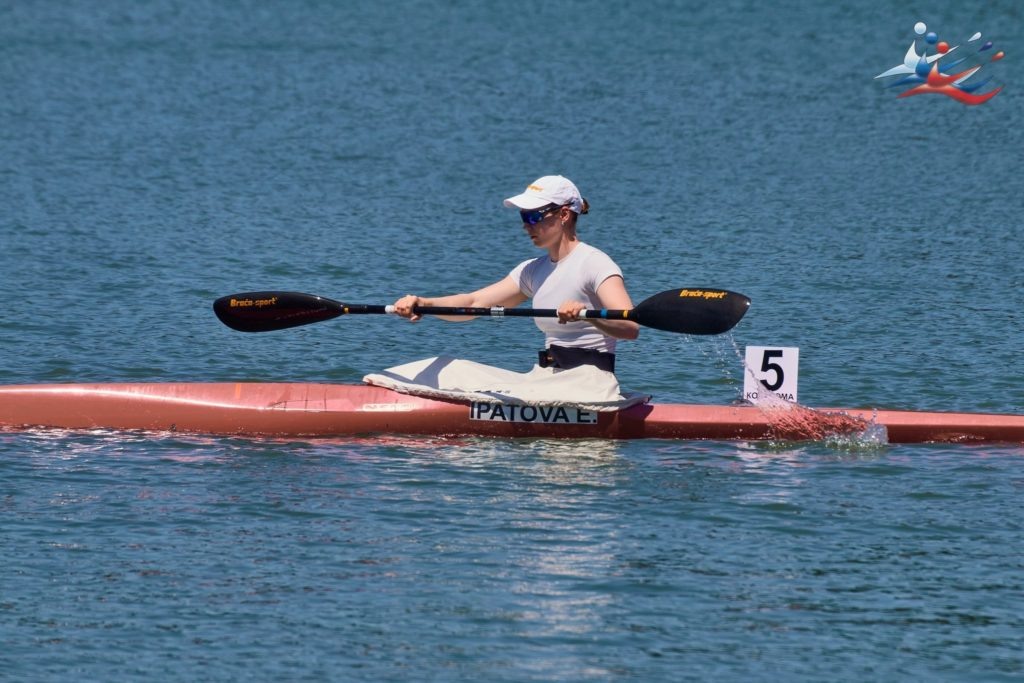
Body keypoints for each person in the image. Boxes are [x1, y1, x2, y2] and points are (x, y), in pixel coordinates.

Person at [393, 175, 638, 373]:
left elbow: (630, 327)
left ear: (564, 215)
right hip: (550, 377)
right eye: (523, 217)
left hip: (591, 384)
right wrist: (424, 303)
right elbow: (473, 303)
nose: (526, 225)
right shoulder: (532, 271)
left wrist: (587, 317)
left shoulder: (595, 264)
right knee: (452, 369)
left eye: (533, 216)